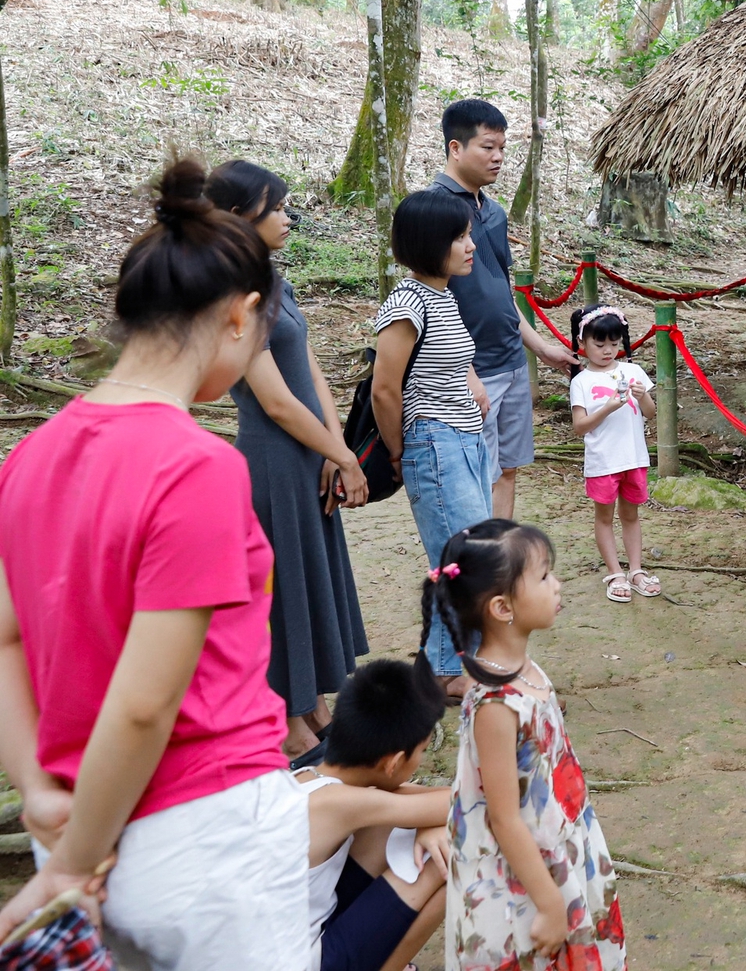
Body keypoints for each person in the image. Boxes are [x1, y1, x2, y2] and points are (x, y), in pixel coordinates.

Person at [0, 158, 313, 968]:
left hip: (74, 819)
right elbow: (145, 705)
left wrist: (42, 798)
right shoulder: (197, 466)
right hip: (205, 844)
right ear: (242, 318)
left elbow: (5, 641)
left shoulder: (28, 456)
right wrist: (70, 868)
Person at [208, 159, 371, 759]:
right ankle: (288, 722)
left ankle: (316, 709)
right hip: (274, 459)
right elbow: (274, 401)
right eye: (275, 208)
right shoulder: (231, 292)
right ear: (236, 217)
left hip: (311, 454)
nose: (287, 217)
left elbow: (311, 371)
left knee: (310, 577)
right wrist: (340, 457)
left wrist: (337, 447)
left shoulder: (275, 278)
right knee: (284, 588)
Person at [422, 520, 625, 971]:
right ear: (502, 607)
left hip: (558, 840)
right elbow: (503, 816)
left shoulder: (523, 670)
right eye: (544, 576)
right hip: (523, 876)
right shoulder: (495, 703)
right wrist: (551, 904)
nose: (558, 585)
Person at [429, 99, 577, 520]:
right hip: (471, 371)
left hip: (511, 362)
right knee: (478, 471)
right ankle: (478, 568)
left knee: (507, 470)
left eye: (502, 148)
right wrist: (468, 374)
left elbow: (502, 291)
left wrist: (540, 347)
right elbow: (433, 301)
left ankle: (501, 556)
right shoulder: (436, 211)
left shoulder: (492, 211)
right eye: (487, 147)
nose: (497, 157)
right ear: (456, 148)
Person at [374, 189, 492, 693]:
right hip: (434, 445)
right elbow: (384, 389)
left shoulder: (442, 295)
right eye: (459, 237)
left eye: (468, 234)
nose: (470, 246)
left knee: (472, 558)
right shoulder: (406, 304)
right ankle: (450, 670)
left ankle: (448, 663)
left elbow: (448, 361)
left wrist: (473, 384)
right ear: (429, 243)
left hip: (466, 441)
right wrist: (400, 451)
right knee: (461, 563)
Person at [300, 658, 453, 971]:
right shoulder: (344, 803)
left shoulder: (307, 778)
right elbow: (473, 803)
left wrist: (424, 822)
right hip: (302, 961)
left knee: (396, 830)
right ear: (394, 762)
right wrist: (429, 823)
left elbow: (417, 802)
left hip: (289, 935)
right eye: (421, 752)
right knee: (448, 855)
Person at [567, 305, 659, 604]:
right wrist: (607, 406)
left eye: (614, 344)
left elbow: (651, 413)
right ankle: (615, 572)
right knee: (604, 517)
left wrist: (643, 395)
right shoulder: (581, 381)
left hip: (634, 457)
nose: (608, 351)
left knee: (631, 516)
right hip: (603, 461)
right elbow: (580, 427)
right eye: (599, 344)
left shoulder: (632, 371)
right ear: (583, 344)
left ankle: (636, 571)